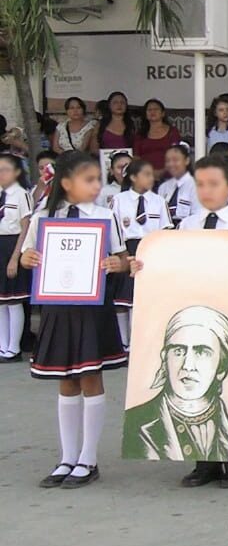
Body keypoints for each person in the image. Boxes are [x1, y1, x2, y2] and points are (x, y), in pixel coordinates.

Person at [145, 155, 228, 488]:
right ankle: (204, 461)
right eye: (200, 184)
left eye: (214, 184)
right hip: (194, 315)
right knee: (195, 384)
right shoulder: (187, 225)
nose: (206, 191)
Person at [20, 151, 130, 489]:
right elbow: (27, 256)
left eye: (98, 179)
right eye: (89, 179)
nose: (96, 185)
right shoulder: (44, 217)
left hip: (90, 308)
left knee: (89, 377)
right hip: (58, 306)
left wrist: (115, 264)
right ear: (66, 183)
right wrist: (29, 257)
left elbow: (123, 259)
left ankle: (88, 458)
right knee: (65, 380)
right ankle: (67, 457)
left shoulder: (104, 216)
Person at [120, 306, 228, 461]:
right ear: (165, 358)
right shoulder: (136, 421)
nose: (188, 365)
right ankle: (203, 469)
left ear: (222, 366)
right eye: (179, 351)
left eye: (202, 352)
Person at [109, 159, 172, 353]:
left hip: (150, 249)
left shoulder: (159, 201)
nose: (151, 178)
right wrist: (120, 254)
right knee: (123, 299)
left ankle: (139, 344)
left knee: (142, 299)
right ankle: (123, 343)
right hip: (125, 249)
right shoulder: (119, 200)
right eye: (146, 174)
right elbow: (113, 228)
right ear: (134, 177)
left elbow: (166, 229)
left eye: (152, 174)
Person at [0, 154, 32, 361]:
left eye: (5, 169)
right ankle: (2, 346)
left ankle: (13, 348)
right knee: (1, 302)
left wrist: (14, 258)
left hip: (12, 245)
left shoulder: (21, 194)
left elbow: (25, 227)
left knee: (14, 300)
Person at [132, 99, 182, 168]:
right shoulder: (140, 134)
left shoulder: (172, 132)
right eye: (149, 110)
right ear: (145, 115)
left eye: (156, 109)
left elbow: (177, 155)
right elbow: (136, 157)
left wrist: (163, 172)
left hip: (169, 172)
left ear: (163, 113)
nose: (152, 112)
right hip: (144, 174)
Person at [158, 144, 196, 225]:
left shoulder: (196, 186)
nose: (171, 164)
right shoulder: (163, 187)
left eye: (175, 160)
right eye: (168, 161)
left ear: (187, 161)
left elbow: (197, 215)